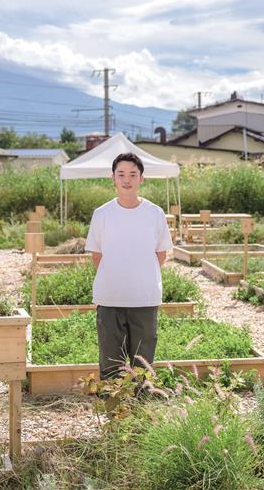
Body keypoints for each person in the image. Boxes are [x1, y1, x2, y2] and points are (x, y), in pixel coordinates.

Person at [84, 152, 174, 380]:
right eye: (121, 174)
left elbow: (160, 253)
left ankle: (140, 410)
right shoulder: (102, 214)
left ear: (141, 178)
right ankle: (114, 411)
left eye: (133, 174)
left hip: (144, 298)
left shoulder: (155, 213)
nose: (127, 179)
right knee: (110, 362)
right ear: (112, 178)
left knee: (143, 365)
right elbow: (97, 255)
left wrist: (140, 276)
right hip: (110, 298)